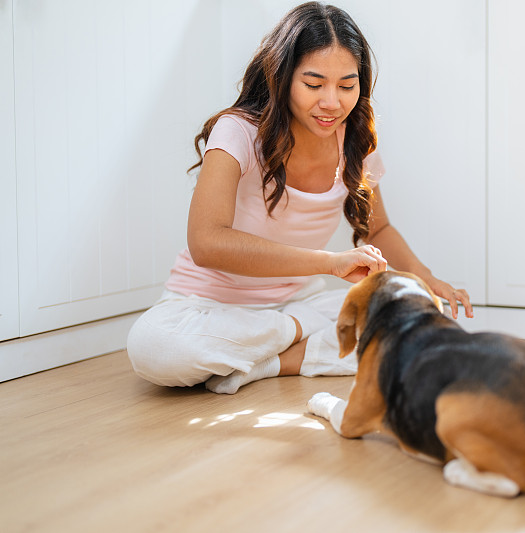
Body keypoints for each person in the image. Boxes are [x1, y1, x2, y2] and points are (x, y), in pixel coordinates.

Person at [127, 2, 473, 394]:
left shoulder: (356, 142)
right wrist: (330, 263)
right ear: (282, 76)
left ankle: (269, 363)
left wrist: (427, 279)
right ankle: (297, 336)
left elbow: (378, 229)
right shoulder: (237, 132)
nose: (332, 102)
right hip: (207, 307)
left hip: (300, 301)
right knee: (153, 347)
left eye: (347, 86)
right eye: (314, 84)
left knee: (420, 324)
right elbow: (206, 243)